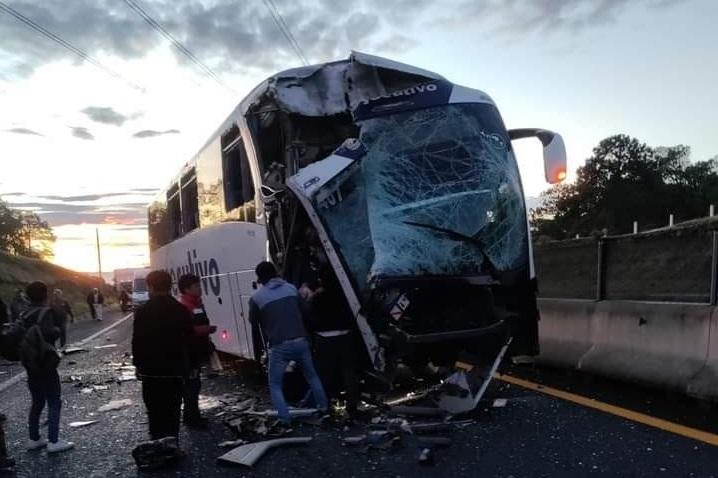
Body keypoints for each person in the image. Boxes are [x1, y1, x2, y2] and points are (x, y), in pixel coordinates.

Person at [249, 261, 328, 425]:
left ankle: (285, 419)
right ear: (276, 273)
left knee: (275, 383)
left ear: (260, 279)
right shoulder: (291, 289)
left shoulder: (257, 298)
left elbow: (253, 322)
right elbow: (305, 311)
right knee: (312, 376)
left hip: (280, 346)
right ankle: (324, 409)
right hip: (301, 341)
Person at [132, 270, 194, 442]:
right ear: (170, 285)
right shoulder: (180, 310)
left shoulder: (143, 312)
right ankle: (172, 443)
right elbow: (189, 338)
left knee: (154, 411)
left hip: (151, 371)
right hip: (174, 369)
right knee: (173, 409)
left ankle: (157, 445)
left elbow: (137, 341)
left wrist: (138, 365)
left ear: (151, 287)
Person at [18, 281, 73, 454]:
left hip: (30, 363)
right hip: (46, 363)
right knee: (54, 400)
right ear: (45, 294)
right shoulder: (45, 313)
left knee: (37, 402)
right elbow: (51, 333)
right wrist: (58, 330)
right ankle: (54, 441)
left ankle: (34, 438)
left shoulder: (24, 314)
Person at [177, 274, 217, 428]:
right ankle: (192, 418)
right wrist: (206, 329)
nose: (200, 288)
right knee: (192, 385)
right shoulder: (185, 307)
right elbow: (187, 331)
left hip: (198, 349)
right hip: (190, 352)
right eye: (196, 286)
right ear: (187, 289)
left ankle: (193, 415)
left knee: (196, 384)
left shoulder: (197, 303)